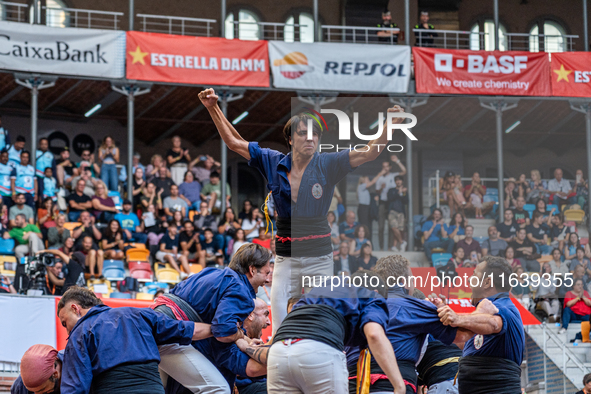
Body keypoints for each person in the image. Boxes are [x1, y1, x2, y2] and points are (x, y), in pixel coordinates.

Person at [198, 87, 405, 332]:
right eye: (303, 133)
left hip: (319, 258)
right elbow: (233, 142)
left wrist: (390, 125)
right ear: (290, 139)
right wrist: (213, 107)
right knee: (278, 322)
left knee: (320, 320)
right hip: (286, 258)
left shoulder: (329, 163)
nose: (310, 138)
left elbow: (371, 152)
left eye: (315, 134)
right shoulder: (272, 160)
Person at [153, 243, 272, 394]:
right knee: (218, 389)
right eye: (267, 273)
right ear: (252, 269)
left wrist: (243, 340)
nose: (268, 280)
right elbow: (223, 332)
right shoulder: (239, 289)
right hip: (170, 334)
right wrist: (241, 338)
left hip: (156, 329)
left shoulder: (212, 273)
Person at [268, 271, 406, 394]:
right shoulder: (373, 297)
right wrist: (399, 386)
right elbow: (374, 334)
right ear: (376, 291)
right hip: (318, 349)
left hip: (278, 351)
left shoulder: (325, 287)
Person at [57, 286, 213, 394]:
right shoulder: (138, 314)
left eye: (65, 322)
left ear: (75, 309)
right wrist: (224, 330)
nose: (67, 329)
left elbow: (76, 388)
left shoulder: (79, 333)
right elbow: (187, 330)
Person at [357, 255, 476, 394]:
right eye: (413, 279)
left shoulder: (364, 307)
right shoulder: (416, 306)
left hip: (360, 383)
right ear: (404, 282)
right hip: (398, 386)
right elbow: (462, 337)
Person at [431, 256, 525, 394]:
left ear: (487, 282)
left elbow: (493, 323)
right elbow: (465, 342)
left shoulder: (503, 308)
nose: (469, 280)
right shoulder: (482, 317)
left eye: (474, 275)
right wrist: (441, 313)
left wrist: (457, 318)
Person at [376, 156, 407, 250]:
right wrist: (381, 188)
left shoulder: (393, 176)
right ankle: (381, 247)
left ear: (390, 167)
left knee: (392, 227)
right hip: (382, 203)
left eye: (386, 166)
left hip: (391, 203)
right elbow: (377, 191)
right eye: (383, 166)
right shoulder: (380, 178)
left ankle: (390, 247)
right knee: (381, 226)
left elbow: (404, 171)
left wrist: (397, 161)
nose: (385, 168)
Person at [388, 174, 409, 252]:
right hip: (392, 211)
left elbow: (406, 201)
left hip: (401, 213)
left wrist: (403, 193)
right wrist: (398, 192)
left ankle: (394, 246)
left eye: (399, 180)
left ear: (402, 181)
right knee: (394, 227)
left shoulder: (404, 191)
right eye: (396, 180)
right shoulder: (392, 190)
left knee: (399, 230)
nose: (398, 181)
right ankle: (402, 242)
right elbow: (390, 198)